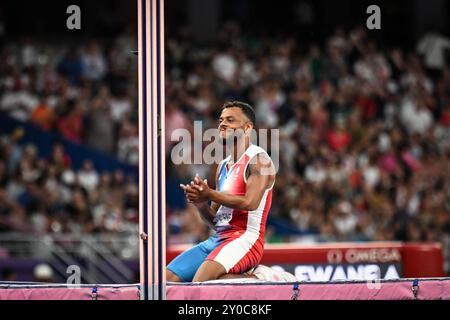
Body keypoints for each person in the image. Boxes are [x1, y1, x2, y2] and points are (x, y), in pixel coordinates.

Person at [166, 101, 278, 282]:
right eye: (221, 120)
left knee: (200, 282)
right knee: (166, 279)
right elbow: (216, 221)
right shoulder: (222, 166)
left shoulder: (259, 160)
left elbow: (251, 203)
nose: (223, 124)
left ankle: (260, 279)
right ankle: (245, 279)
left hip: (246, 240)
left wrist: (209, 194)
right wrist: (201, 204)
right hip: (219, 239)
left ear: (248, 128)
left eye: (231, 120)